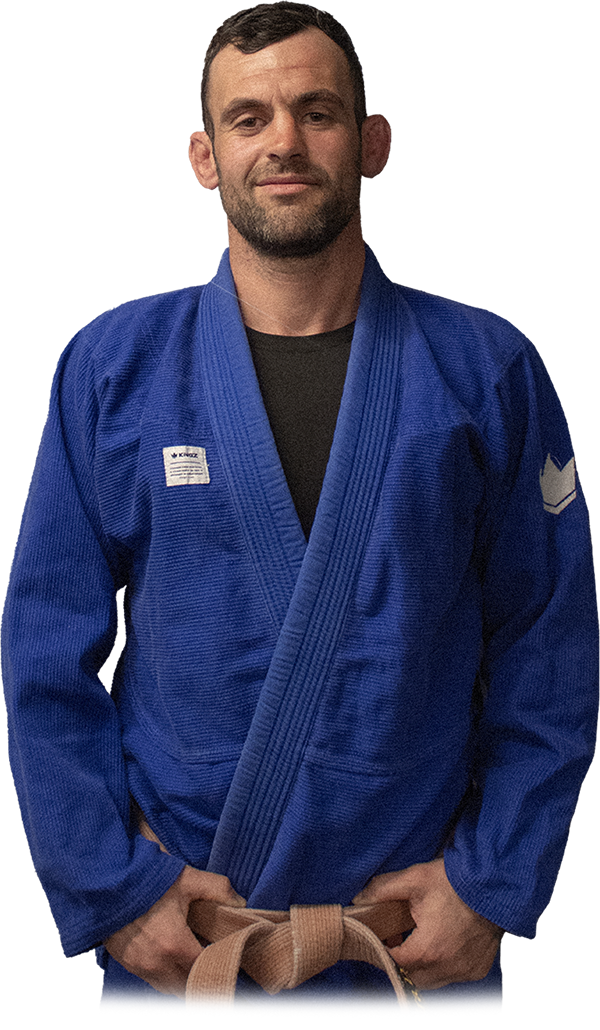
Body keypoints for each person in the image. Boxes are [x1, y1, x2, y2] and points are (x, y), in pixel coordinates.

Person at [3, 2, 599, 1020]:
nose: (283, 141)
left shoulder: (482, 371)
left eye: (317, 112)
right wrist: (111, 888)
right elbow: (43, 654)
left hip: (408, 948)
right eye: (249, 118)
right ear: (205, 157)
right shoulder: (113, 369)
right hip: (185, 944)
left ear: (371, 142)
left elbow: (552, 644)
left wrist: (492, 882)